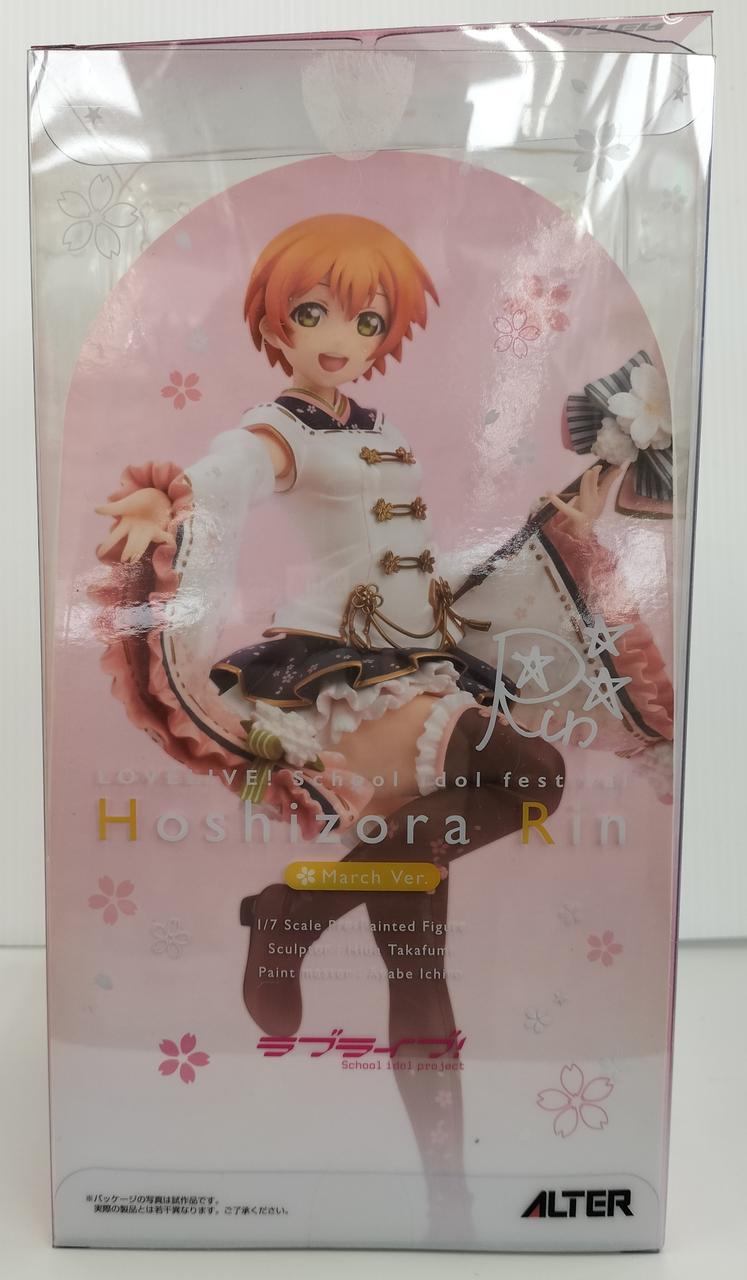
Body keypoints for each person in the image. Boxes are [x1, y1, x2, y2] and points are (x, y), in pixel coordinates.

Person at [93, 213, 673, 1238]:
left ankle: (446, 1202)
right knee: (531, 775)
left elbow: (412, 564)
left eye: (365, 320)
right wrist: (166, 511)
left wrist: (570, 508)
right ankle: (296, 915)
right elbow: (224, 478)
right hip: (340, 679)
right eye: (314, 311)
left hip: (414, 664)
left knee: (416, 951)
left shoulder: (373, 428)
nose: (340, 336)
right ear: (275, 320)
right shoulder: (275, 430)